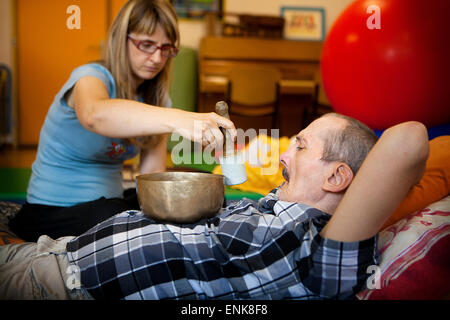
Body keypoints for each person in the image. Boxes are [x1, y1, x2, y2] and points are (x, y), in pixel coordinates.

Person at [0, 113, 429, 300]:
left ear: (336, 177)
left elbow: (409, 138)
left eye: (298, 145)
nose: (283, 155)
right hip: (58, 250)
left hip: (59, 282)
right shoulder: (272, 204)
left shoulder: (319, 255)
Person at [9, 0, 236, 242]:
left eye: (166, 48)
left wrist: (184, 200)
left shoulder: (156, 100)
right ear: (121, 39)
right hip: (50, 212)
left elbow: (152, 178)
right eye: (146, 45)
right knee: (117, 215)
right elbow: (95, 115)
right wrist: (177, 119)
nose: (157, 58)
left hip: (108, 205)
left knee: (206, 200)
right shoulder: (90, 77)